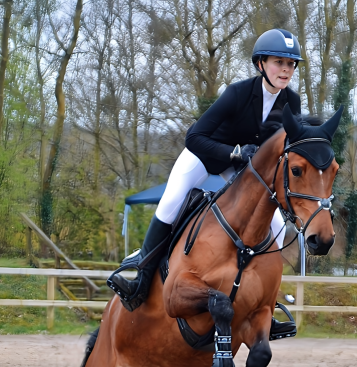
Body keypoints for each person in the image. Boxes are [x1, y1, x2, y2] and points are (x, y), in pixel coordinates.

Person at [108, 28, 303, 333]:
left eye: (291, 64)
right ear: (261, 64)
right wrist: (235, 152)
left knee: (277, 225)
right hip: (205, 156)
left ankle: (266, 302)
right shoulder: (238, 93)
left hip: (241, 169)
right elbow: (194, 137)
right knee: (172, 201)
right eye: (280, 62)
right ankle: (140, 277)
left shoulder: (291, 101)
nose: (286, 70)